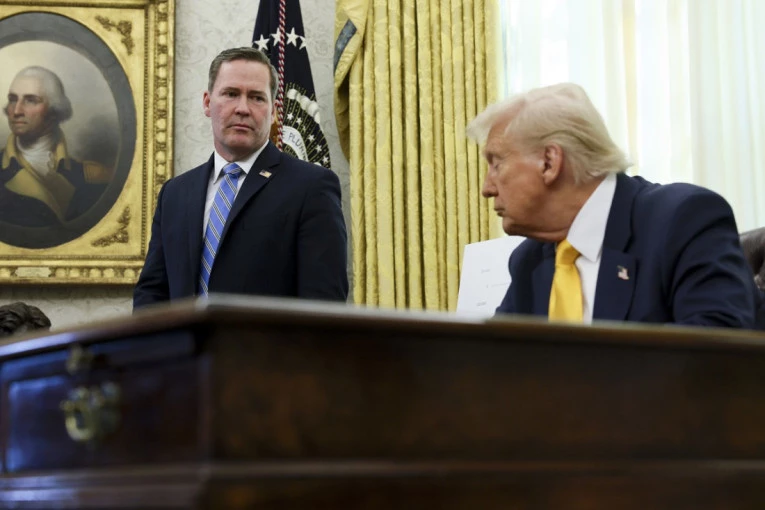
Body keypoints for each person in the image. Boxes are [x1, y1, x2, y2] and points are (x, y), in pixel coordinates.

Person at [466, 83, 757, 328]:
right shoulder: (529, 261)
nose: (487, 189)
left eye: (496, 164)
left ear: (549, 163)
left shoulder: (684, 220)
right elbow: (496, 363)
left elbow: (715, 358)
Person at [133, 47, 348, 308]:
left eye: (256, 97)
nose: (243, 108)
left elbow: (323, 306)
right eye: (231, 94)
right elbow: (152, 296)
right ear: (207, 102)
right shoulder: (175, 193)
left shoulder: (311, 187)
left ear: (274, 111)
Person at [0, 66, 112, 229]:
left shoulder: (95, 176)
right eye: (12, 99)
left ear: (54, 110)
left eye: (31, 100)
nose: (16, 111)